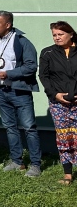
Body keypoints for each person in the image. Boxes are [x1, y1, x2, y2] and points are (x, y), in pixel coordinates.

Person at [0, 10, 41, 177]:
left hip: (20, 91)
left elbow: (31, 66)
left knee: (29, 128)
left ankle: (35, 164)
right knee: (9, 127)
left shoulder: (22, 42)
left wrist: (9, 73)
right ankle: (17, 161)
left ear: (8, 24)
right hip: (1, 90)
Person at [38, 21, 77, 184]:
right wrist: (55, 94)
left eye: (60, 34)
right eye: (54, 35)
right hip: (58, 103)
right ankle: (68, 174)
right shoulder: (47, 53)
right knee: (64, 137)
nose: (57, 37)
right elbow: (44, 76)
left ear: (71, 34)